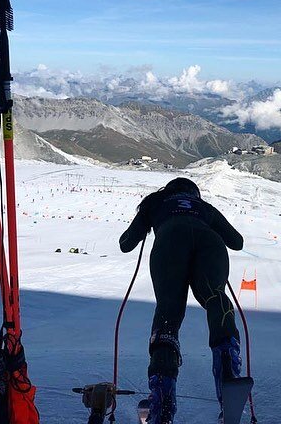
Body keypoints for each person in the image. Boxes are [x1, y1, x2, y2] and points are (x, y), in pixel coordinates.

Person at [119, 177, 244, 424]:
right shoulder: (204, 207)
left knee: (168, 314)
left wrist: (149, 220)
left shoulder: (155, 202)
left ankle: (162, 398)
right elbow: (237, 242)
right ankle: (228, 366)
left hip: (169, 243)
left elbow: (126, 244)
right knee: (216, 298)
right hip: (211, 244)